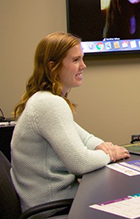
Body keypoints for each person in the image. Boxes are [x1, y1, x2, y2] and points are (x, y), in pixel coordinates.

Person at [10, 32, 130, 215]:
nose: (83, 66)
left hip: (56, 202)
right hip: (53, 209)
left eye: (82, 59)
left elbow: (86, 138)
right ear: (53, 67)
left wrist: (102, 146)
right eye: (75, 60)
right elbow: (80, 163)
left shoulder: (44, 100)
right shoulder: (49, 104)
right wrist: (111, 155)